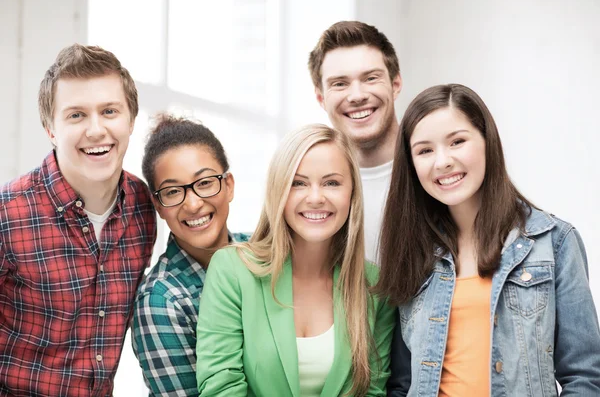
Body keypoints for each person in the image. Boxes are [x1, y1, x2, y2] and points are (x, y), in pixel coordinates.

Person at [377, 84, 600, 396]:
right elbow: (401, 384)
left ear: (487, 142)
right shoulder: (411, 252)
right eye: (425, 150)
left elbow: (585, 378)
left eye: (457, 142)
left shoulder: (554, 243)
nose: (442, 161)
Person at [0, 44, 157, 396]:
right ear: (50, 128)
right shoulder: (7, 214)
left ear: (131, 120)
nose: (96, 130)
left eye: (110, 111)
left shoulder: (143, 207)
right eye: (76, 115)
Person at [196, 124, 396, 396]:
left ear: (352, 194)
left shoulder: (374, 287)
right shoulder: (232, 270)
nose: (316, 198)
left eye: (332, 183)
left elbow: (373, 391)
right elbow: (221, 387)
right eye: (298, 183)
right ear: (279, 191)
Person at [131, 115, 249, 396]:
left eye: (205, 183)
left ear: (229, 185)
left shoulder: (264, 251)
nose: (194, 204)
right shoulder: (160, 300)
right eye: (173, 191)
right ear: (158, 205)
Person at [308, 20, 402, 263]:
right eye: (340, 84)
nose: (358, 96)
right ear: (321, 98)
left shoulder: (439, 172)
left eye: (371, 78)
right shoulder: (308, 189)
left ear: (395, 85)